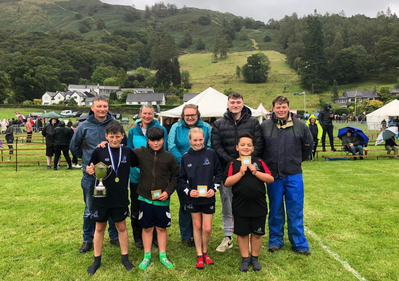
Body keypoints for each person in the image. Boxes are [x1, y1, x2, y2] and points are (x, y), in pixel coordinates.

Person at [70, 96, 126, 253]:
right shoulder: (84, 126)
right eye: (99, 106)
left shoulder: (115, 125)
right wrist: (88, 159)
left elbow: (123, 144)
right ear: (92, 107)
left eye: (105, 106)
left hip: (111, 176)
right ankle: (87, 239)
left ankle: (114, 237)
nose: (103, 109)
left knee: (111, 206)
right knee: (89, 209)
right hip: (91, 176)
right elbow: (74, 147)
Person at [261, 95, 313, 256]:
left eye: (284, 107)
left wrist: (295, 161)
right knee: (275, 208)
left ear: (288, 108)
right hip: (273, 175)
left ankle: (299, 242)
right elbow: (260, 148)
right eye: (278, 107)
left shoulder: (300, 125)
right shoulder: (265, 126)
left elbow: (308, 146)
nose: (281, 110)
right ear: (273, 109)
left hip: (293, 174)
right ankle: (275, 240)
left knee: (295, 209)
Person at [211, 92, 263, 252]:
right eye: (232, 102)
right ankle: (228, 236)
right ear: (228, 104)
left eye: (238, 102)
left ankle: (245, 236)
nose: (235, 105)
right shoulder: (219, 124)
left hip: (248, 170)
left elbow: (258, 145)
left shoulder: (253, 122)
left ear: (242, 103)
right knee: (227, 204)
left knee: (246, 203)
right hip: (226, 170)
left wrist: (246, 162)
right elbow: (216, 146)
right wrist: (233, 162)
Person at [85, 122, 138, 275]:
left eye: (118, 136)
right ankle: (96, 259)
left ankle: (125, 258)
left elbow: (140, 162)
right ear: (106, 136)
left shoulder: (127, 152)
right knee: (99, 228)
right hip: (101, 196)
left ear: (123, 136)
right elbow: (91, 167)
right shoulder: (99, 151)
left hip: (120, 197)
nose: (115, 140)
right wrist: (89, 169)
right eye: (112, 137)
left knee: (121, 227)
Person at [224, 133, 274, 272]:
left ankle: (255, 258)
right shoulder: (233, 164)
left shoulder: (259, 162)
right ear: (237, 147)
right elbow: (227, 182)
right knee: (242, 233)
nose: (245, 147)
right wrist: (240, 173)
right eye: (242, 145)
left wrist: (256, 172)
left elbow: (270, 179)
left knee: (257, 234)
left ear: (252, 148)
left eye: (249, 145)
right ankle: (245, 259)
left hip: (258, 205)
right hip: (240, 206)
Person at [133, 127, 179, 270]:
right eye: (152, 140)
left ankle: (162, 255)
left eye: (158, 140)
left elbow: (175, 177)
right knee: (146, 228)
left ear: (163, 140)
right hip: (145, 198)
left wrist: (168, 191)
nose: (155, 143)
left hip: (162, 199)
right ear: (148, 140)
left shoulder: (169, 157)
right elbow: (123, 152)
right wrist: (104, 145)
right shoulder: (141, 153)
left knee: (161, 228)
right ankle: (147, 256)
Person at [168, 104, 212, 247]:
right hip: (182, 170)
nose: (190, 117)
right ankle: (186, 235)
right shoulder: (176, 127)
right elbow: (171, 146)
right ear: (183, 115)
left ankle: (197, 233)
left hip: (202, 172)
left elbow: (210, 145)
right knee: (185, 203)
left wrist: (198, 162)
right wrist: (186, 161)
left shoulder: (206, 127)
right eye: (187, 115)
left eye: (193, 115)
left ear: (198, 115)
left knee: (200, 201)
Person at [179, 128, 222, 270]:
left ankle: (205, 252)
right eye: (195, 140)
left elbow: (219, 173)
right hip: (194, 199)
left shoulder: (211, 153)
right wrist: (189, 191)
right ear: (190, 140)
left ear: (204, 139)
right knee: (197, 226)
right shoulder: (185, 157)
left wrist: (214, 188)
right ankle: (199, 254)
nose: (198, 143)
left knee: (207, 228)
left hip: (208, 198)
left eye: (200, 140)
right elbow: (181, 179)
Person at [127, 104, 167, 249]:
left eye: (150, 113)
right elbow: (130, 153)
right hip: (136, 177)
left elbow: (165, 149)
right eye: (144, 113)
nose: (147, 116)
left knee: (155, 205)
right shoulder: (132, 130)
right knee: (137, 208)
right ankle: (138, 237)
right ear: (140, 114)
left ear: (154, 114)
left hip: (155, 177)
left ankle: (155, 237)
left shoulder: (161, 129)